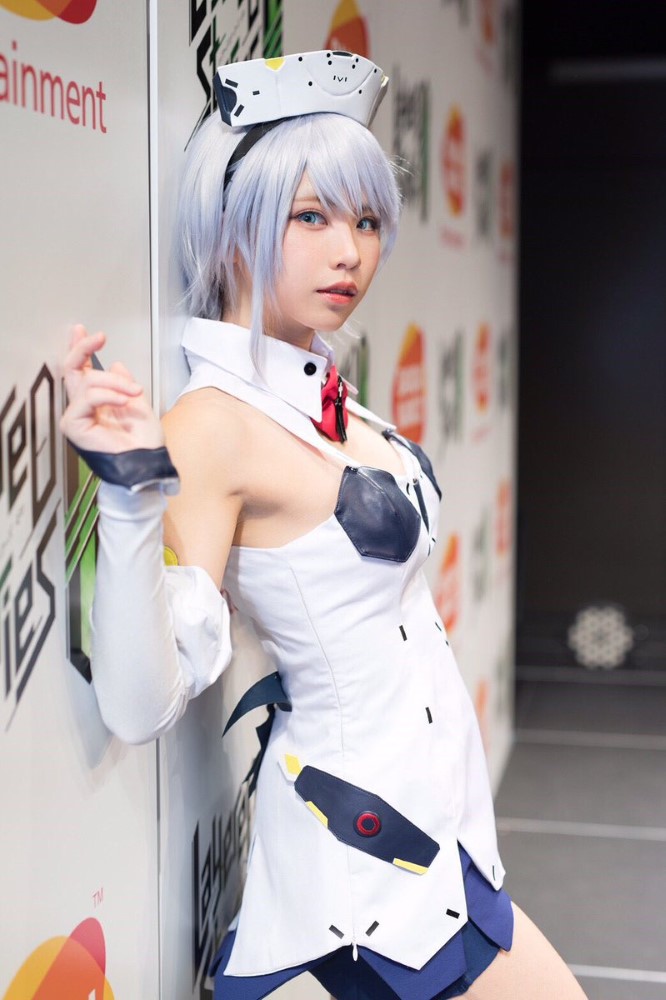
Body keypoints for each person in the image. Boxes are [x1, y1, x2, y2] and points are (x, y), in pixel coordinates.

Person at [61, 50, 587, 1000]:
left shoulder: (326, 397)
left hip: (447, 851)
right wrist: (131, 491)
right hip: (356, 886)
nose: (349, 251)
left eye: (367, 221)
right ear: (233, 223)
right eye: (311, 216)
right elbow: (139, 706)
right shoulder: (214, 424)